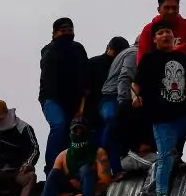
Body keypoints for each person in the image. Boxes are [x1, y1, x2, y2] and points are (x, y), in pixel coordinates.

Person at [132, 19, 186, 196]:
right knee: (166, 159)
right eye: (161, 32)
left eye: (168, 32)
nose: (165, 35)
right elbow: (136, 84)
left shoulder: (182, 59)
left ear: (174, 37)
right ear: (155, 38)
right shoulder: (148, 59)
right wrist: (135, 98)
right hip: (162, 120)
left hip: (183, 114)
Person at [31, 116, 113, 196]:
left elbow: (105, 182)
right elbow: (52, 187)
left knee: (85, 169)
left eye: (81, 130)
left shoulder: (98, 153)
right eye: (75, 130)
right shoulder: (62, 156)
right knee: (54, 173)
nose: (78, 133)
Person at [39, 18, 89, 173]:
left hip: (74, 100)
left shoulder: (78, 49)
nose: (67, 33)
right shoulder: (49, 51)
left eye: (70, 30)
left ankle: (70, 168)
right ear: (54, 33)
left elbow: (85, 74)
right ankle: (52, 168)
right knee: (59, 126)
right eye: (63, 30)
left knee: (74, 131)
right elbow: (50, 78)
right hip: (52, 98)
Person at [136, 0, 186, 83]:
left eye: (174, 8)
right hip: (155, 81)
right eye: (167, 8)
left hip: (181, 79)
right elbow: (142, 58)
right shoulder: (149, 29)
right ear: (159, 9)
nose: (171, 11)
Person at [97, 39, 141, 179]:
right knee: (112, 128)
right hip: (113, 97)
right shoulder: (134, 53)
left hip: (112, 97)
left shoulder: (130, 52)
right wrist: (123, 103)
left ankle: (115, 166)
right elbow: (125, 78)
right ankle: (113, 167)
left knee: (115, 130)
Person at [87, 37, 130, 130]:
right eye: (117, 52)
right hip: (94, 107)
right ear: (108, 48)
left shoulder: (125, 65)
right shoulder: (93, 63)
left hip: (116, 105)